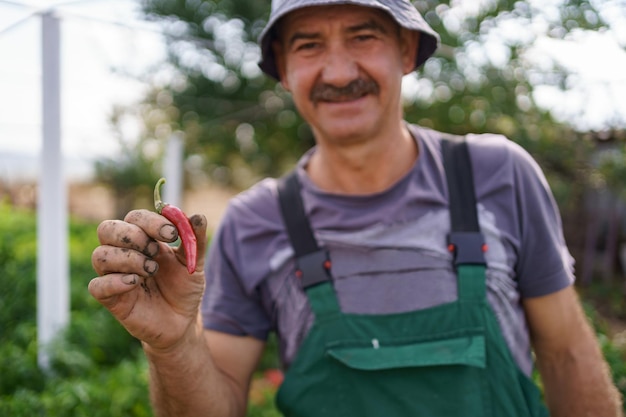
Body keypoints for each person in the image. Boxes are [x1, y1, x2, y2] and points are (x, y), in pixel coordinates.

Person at [89, 0, 623, 416]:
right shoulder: (254, 221)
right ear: (282, 68)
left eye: (364, 37)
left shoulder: (498, 173)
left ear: (408, 50)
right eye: (308, 45)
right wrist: (174, 345)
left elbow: (567, 355)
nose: (339, 72)